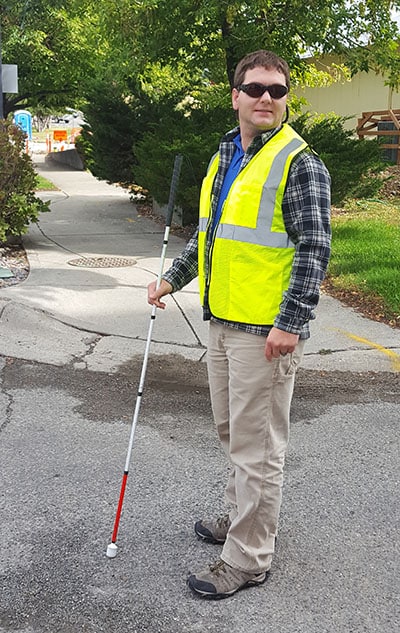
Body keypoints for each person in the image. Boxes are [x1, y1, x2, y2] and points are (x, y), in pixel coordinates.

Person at [147, 49, 331, 599]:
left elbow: (314, 249)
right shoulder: (227, 153)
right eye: (255, 89)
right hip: (223, 321)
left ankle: (249, 558)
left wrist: (291, 323)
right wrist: (171, 280)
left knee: (257, 448)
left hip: (266, 334)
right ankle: (241, 521)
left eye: (277, 90)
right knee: (232, 434)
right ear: (236, 96)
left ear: (286, 98)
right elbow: (210, 233)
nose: (266, 99)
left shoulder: (301, 163)